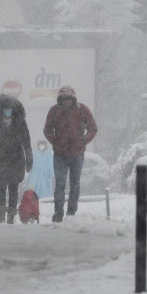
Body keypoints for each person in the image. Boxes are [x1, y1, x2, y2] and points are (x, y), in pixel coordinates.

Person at [43, 85, 98, 222]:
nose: (66, 101)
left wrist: (83, 141)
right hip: (59, 154)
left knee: (75, 184)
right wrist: (55, 142)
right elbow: (47, 130)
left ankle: (71, 213)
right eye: (63, 98)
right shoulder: (54, 111)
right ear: (60, 99)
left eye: (69, 98)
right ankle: (58, 213)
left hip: (77, 153)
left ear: (73, 99)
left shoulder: (82, 110)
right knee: (60, 184)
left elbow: (93, 129)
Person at [0, 94, 33, 224]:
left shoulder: (20, 122)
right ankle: (1, 214)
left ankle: (11, 215)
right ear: (1, 109)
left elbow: (26, 141)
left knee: (13, 188)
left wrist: (29, 157)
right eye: (5, 108)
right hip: (0, 159)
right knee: (1, 188)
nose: (7, 111)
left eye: (9, 109)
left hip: (16, 159)